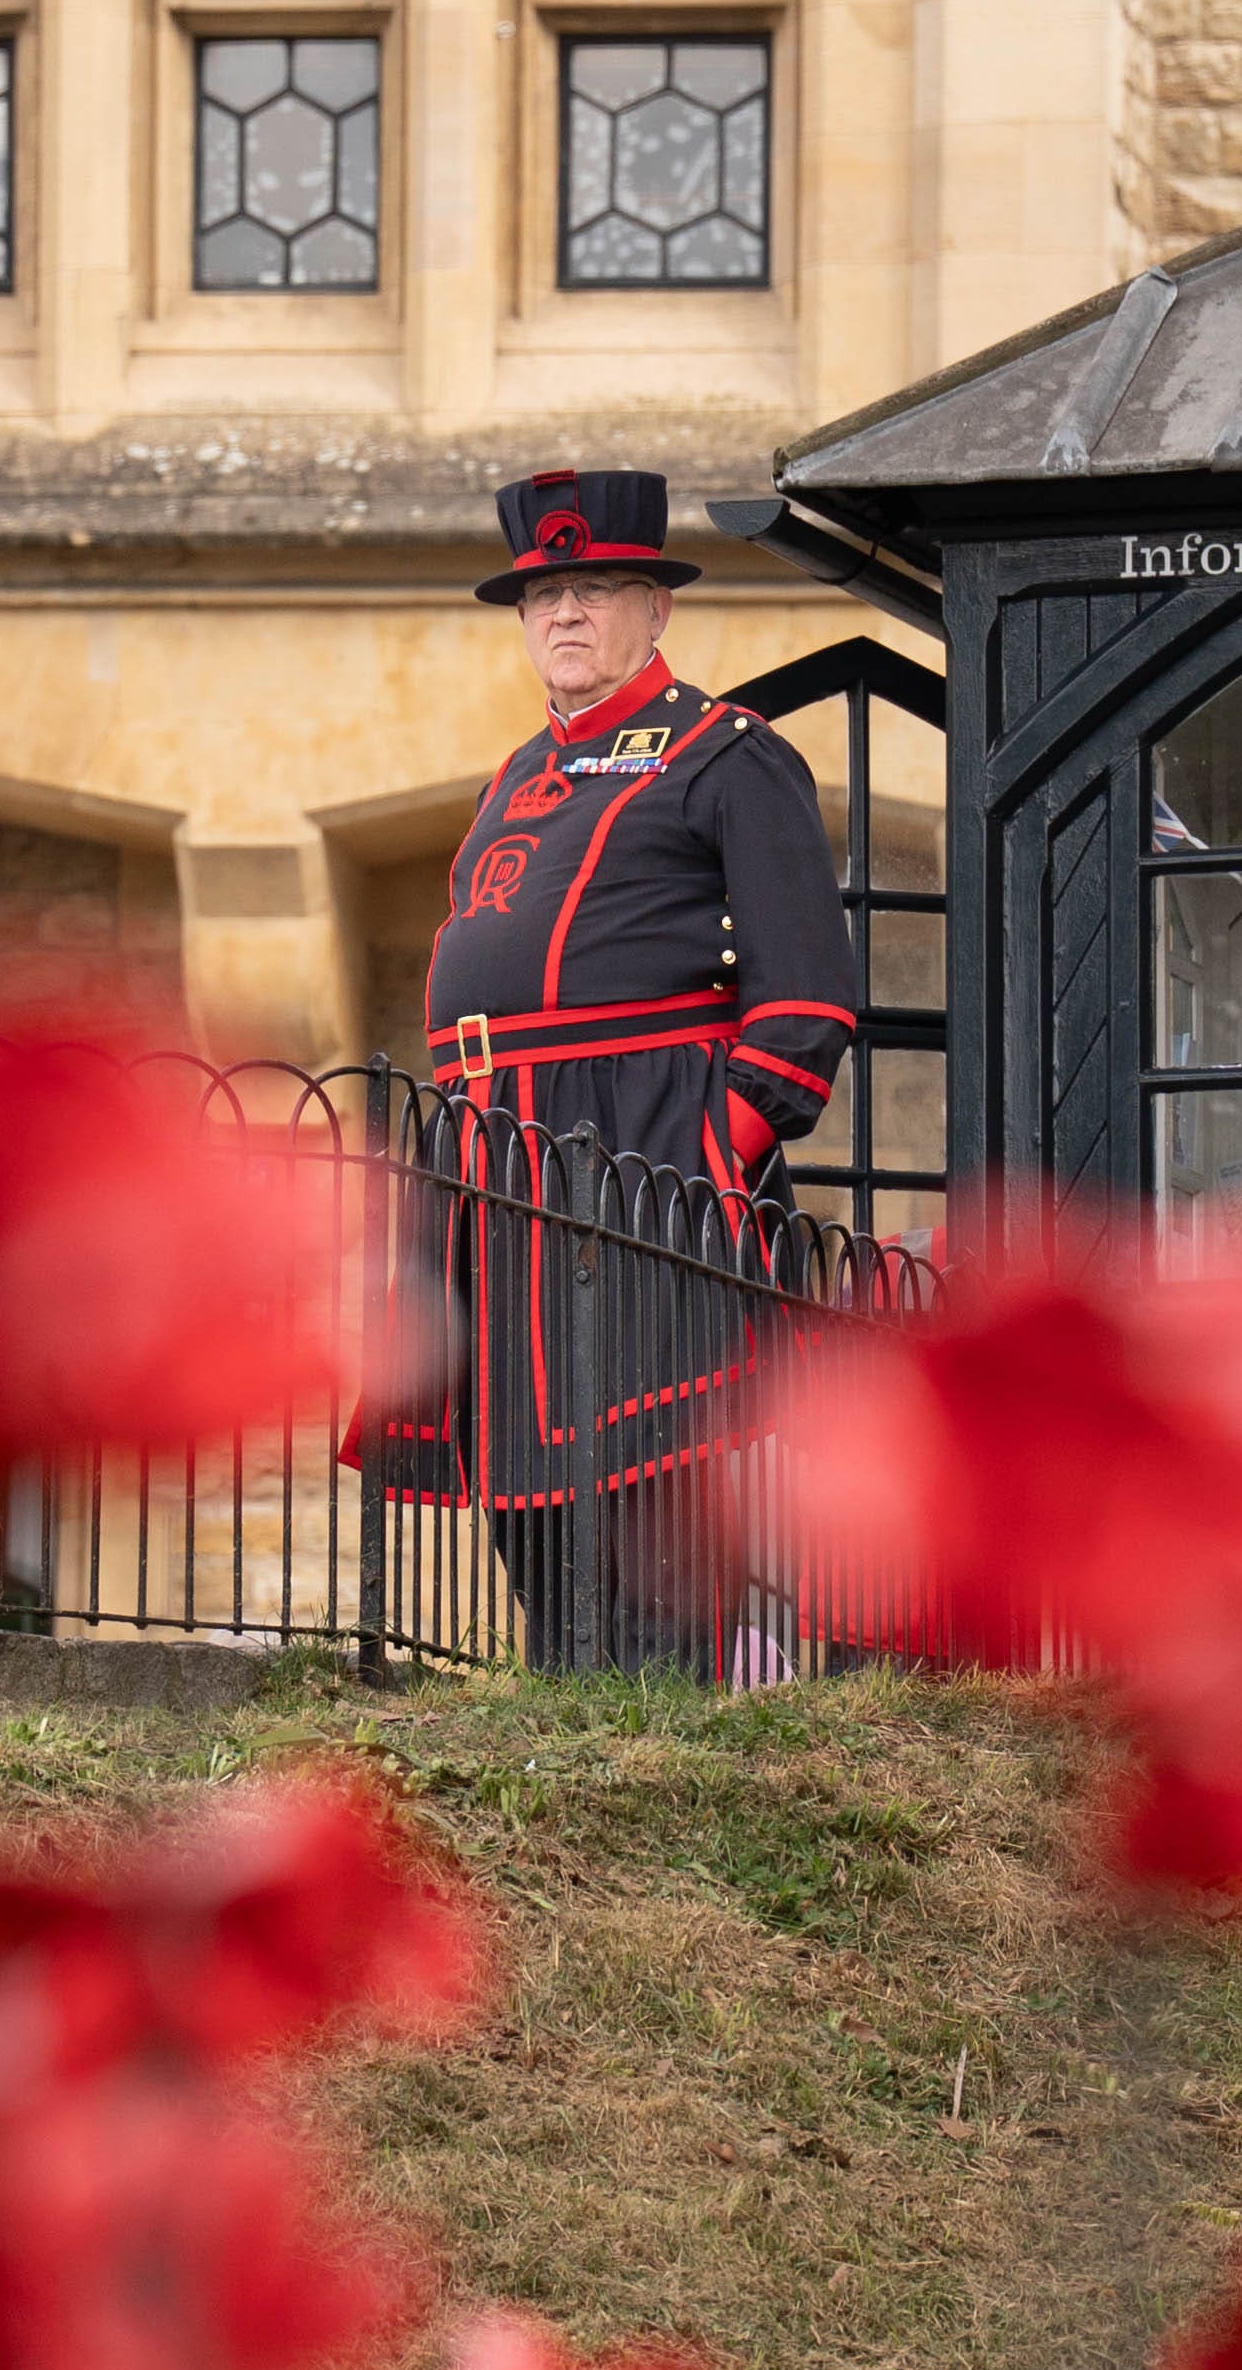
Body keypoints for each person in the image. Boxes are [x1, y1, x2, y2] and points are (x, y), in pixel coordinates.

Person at [350, 469, 864, 1670]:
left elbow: (803, 999)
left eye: (596, 590)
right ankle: (569, 1714)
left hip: (634, 1148)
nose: (566, 615)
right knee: (520, 1472)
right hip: (488, 1150)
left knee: (649, 1483)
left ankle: (659, 1728)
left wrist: (703, 1156)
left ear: (656, 608)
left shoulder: (725, 754)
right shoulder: (514, 773)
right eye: (544, 597)